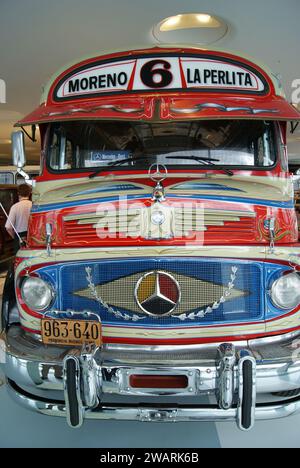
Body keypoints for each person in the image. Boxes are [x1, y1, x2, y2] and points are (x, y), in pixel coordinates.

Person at [5, 183, 32, 253]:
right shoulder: (34, 205)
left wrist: (15, 237)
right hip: (33, 237)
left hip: (19, 236)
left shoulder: (15, 207)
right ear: (29, 193)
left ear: (18, 193)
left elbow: (8, 227)